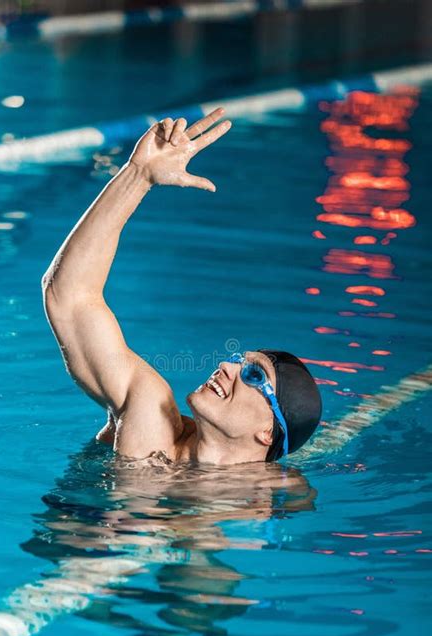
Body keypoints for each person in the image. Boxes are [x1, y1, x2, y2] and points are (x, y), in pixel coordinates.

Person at [42, 107, 321, 465]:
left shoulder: (263, 501)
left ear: (267, 431)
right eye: (240, 361)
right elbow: (68, 296)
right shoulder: (148, 411)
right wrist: (138, 176)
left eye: (252, 374)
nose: (225, 365)